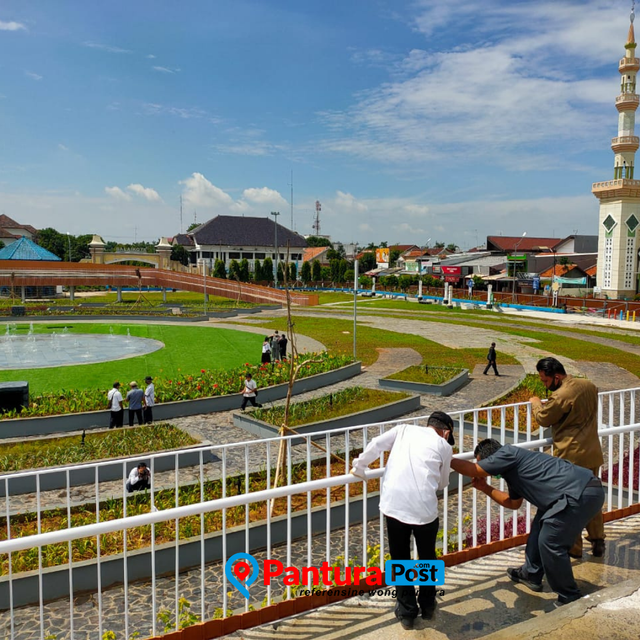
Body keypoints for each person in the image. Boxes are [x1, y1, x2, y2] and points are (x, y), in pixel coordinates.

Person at [450, 439, 604, 607]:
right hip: (581, 491)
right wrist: (485, 488)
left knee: (550, 541)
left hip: (578, 493)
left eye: (486, 466)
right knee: (540, 525)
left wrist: (443, 457)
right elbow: (513, 503)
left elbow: (472, 469)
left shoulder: (507, 453)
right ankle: (531, 574)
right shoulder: (513, 470)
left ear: (491, 459)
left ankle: (569, 596)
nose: (487, 473)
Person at [350, 411, 455, 629]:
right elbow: (443, 483)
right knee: (427, 556)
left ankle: (407, 612)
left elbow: (376, 444)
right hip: (424, 511)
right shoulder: (444, 446)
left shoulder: (403, 429)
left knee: (400, 557)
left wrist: (360, 467)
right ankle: (427, 605)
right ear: (446, 433)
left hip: (394, 505)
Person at [529, 357, 605, 558]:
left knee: (572, 504)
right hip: (592, 452)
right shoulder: (588, 385)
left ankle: (575, 548)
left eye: (545, 381)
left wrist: (536, 404)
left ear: (556, 376)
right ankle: (598, 539)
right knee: (592, 499)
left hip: (571, 456)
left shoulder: (562, 394)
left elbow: (544, 418)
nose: (545, 385)